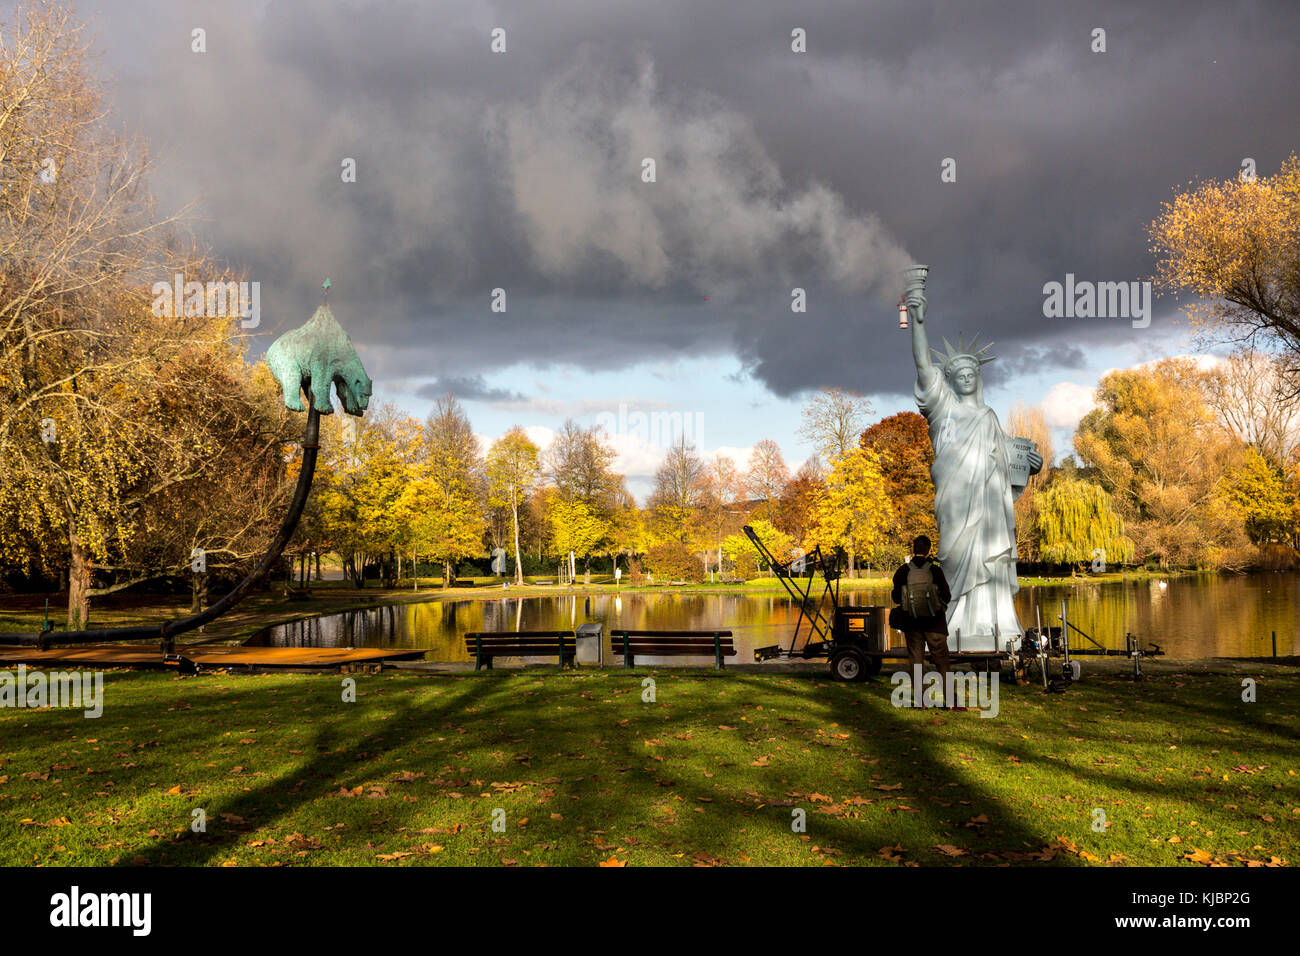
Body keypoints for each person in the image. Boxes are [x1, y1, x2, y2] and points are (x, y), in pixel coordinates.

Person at [905, 288, 1042, 649]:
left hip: (990, 507)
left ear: (978, 377)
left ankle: (996, 622)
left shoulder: (989, 417)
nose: (966, 376)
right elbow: (922, 364)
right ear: (949, 380)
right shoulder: (942, 409)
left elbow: (1008, 466)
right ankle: (955, 622)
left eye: (971, 372)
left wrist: (1030, 466)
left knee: (991, 557)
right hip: (955, 500)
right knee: (953, 553)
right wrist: (918, 321)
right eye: (959, 373)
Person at [891, 535, 952, 698]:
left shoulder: (903, 571)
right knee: (942, 662)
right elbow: (947, 596)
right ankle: (951, 700)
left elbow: (896, 598)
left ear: (913, 549)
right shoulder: (935, 570)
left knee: (916, 663)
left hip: (912, 624)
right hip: (935, 625)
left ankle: (921, 701)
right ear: (929, 550)